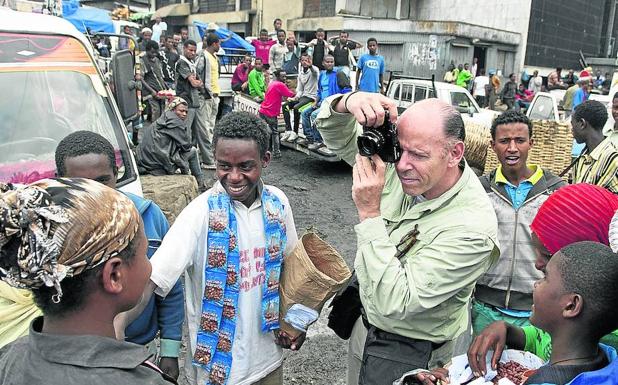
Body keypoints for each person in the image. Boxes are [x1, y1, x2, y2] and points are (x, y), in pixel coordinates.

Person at [315, 92, 499, 385]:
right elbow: (335, 137)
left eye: (419, 155)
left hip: (412, 353)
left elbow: (395, 301)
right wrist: (348, 102)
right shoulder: (405, 166)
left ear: (455, 153)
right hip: (364, 328)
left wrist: (370, 214)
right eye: (399, 150)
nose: (401, 165)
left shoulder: (473, 230)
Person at [116, 111, 303, 385]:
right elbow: (153, 280)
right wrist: (118, 324)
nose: (234, 176)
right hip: (217, 371)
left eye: (245, 166)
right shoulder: (199, 213)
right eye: (224, 166)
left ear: (265, 160)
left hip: (267, 362)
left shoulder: (278, 204)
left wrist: (296, 322)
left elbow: (293, 268)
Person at [0, 178, 174, 384]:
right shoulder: (144, 381)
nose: (149, 265)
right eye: (145, 254)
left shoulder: (9, 359)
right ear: (114, 275)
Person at [467, 183, 618, 382]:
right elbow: (547, 340)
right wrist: (510, 331)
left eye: (547, 255)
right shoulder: (598, 350)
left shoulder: (609, 341)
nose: (537, 264)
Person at [473, 111, 564, 336]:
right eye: (504, 141)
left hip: (536, 309)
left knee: (529, 369)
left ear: (530, 143)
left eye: (519, 141)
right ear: (493, 145)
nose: (512, 148)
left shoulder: (554, 190)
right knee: (484, 369)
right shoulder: (480, 189)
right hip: (486, 306)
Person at [137, 97, 207, 191]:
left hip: (147, 163)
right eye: (181, 111)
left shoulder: (162, 119)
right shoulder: (176, 122)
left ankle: (188, 176)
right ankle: (201, 183)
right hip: (159, 165)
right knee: (193, 151)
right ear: (173, 110)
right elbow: (186, 147)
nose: (184, 114)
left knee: (181, 153)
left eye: (186, 112)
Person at [300, 55, 351, 155]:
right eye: (327, 62)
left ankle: (319, 141)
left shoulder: (339, 74)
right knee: (304, 113)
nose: (330, 64)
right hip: (321, 102)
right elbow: (319, 91)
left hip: (332, 103)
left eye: (332, 62)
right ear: (323, 63)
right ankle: (310, 138)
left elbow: (347, 90)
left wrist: (341, 103)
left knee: (315, 115)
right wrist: (315, 102)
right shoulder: (322, 75)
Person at [571, 100, 618, 194]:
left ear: (582, 124)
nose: (572, 130)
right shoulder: (582, 157)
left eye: (573, 124)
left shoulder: (613, 161)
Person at [194, 33, 220, 169]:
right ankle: (206, 157)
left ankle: (207, 153)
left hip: (215, 95)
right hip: (206, 96)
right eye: (219, 43)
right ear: (214, 44)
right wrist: (203, 89)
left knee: (211, 125)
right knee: (204, 126)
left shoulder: (215, 58)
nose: (220, 46)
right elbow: (196, 72)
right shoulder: (203, 56)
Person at [282, 53, 318, 143]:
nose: (305, 62)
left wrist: (311, 66)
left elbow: (315, 72)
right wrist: (295, 98)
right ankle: (288, 130)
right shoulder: (301, 73)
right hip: (303, 96)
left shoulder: (314, 69)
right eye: (303, 60)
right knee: (285, 106)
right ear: (300, 61)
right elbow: (300, 89)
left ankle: (295, 132)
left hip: (311, 97)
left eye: (307, 60)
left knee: (296, 108)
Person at [259, 70, 296, 158]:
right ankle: (276, 152)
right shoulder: (280, 85)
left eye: (285, 76)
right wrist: (297, 93)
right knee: (275, 133)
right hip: (271, 112)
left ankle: (261, 151)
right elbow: (290, 94)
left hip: (263, 110)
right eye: (283, 76)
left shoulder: (272, 83)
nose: (285, 78)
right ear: (278, 76)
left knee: (263, 132)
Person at [175, 39, 203, 136]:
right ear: (184, 49)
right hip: (185, 101)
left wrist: (197, 82)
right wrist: (197, 82)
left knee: (196, 132)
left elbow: (199, 82)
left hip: (193, 101)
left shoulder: (191, 63)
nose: (193, 53)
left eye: (194, 51)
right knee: (185, 130)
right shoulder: (182, 63)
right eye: (190, 50)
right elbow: (195, 83)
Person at [140, 41, 167, 123]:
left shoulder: (157, 60)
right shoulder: (142, 60)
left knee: (162, 113)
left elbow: (160, 77)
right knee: (156, 112)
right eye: (152, 52)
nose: (154, 54)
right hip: (150, 93)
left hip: (160, 91)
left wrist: (166, 89)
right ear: (147, 50)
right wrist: (152, 91)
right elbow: (141, 78)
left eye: (156, 52)